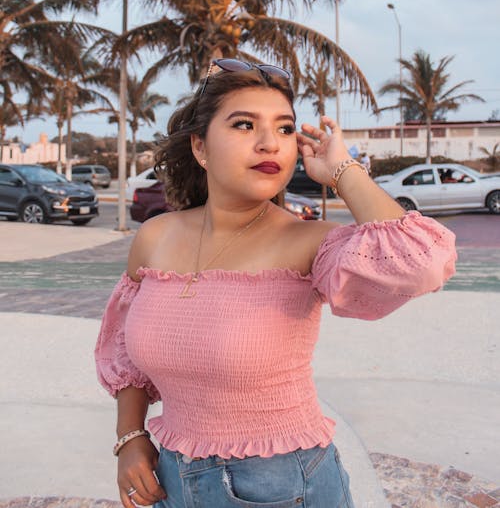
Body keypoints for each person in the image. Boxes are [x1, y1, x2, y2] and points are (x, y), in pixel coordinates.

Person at [95, 58, 457, 508]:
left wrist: (342, 170)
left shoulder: (309, 242)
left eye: (285, 129)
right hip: (170, 479)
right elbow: (124, 353)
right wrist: (129, 436)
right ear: (200, 148)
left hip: (283, 484)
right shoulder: (155, 236)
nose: (270, 143)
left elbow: (421, 261)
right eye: (245, 125)